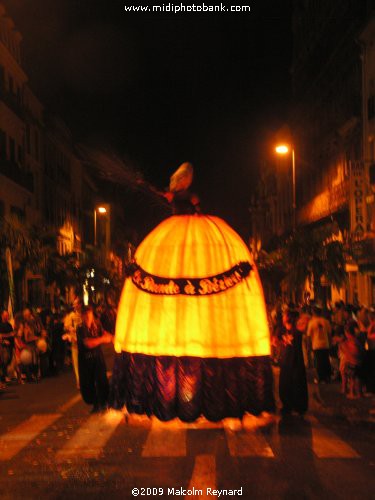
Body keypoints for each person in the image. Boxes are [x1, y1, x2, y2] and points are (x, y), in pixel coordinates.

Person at [110, 163, 274, 421]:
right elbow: (170, 197)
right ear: (183, 180)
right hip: (179, 232)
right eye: (185, 178)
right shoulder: (181, 197)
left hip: (182, 233)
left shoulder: (176, 197)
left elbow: (165, 195)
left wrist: (153, 188)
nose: (187, 181)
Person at [76, 305, 112, 413]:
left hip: (97, 357)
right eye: (85, 315)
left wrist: (113, 338)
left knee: (102, 381)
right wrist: (102, 339)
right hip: (86, 359)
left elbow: (106, 335)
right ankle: (96, 404)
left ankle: (104, 403)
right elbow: (88, 343)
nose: (88, 317)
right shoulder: (81, 328)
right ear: (82, 316)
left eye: (89, 314)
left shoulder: (96, 325)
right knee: (88, 383)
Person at [278, 309, 308, 416]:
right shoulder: (282, 330)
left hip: (295, 361)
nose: (283, 317)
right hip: (286, 361)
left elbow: (305, 321)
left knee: (296, 384)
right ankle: (287, 405)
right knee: (285, 384)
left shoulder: (297, 331)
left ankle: (298, 406)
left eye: (284, 315)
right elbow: (278, 341)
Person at [307, 306, 332, 383]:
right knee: (326, 361)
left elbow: (308, 335)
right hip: (325, 344)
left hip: (316, 344)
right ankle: (327, 377)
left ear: (313, 312)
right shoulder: (326, 321)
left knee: (319, 362)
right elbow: (329, 334)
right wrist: (330, 343)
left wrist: (309, 346)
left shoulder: (311, 322)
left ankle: (321, 378)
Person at [63, 297, 82, 389]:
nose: (75, 306)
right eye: (74, 304)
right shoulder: (71, 315)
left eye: (76, 304)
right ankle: (79, 381)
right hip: (75, 341)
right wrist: (70, 329)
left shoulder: (84, 314)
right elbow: (66, 326)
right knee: (76, 362)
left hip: (84, 341)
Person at [0, 310, 15, 389]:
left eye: (7, 315)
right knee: (4, 361)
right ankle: (2, 379)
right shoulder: (1, 325)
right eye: (5, 315)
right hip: (3, 347)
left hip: (10, 346)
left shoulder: (9, 324)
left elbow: (12, 333)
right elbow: (1, 335)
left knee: (8, 360)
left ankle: (4, 378)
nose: (6, 316)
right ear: (2, 315)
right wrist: (9, 335)